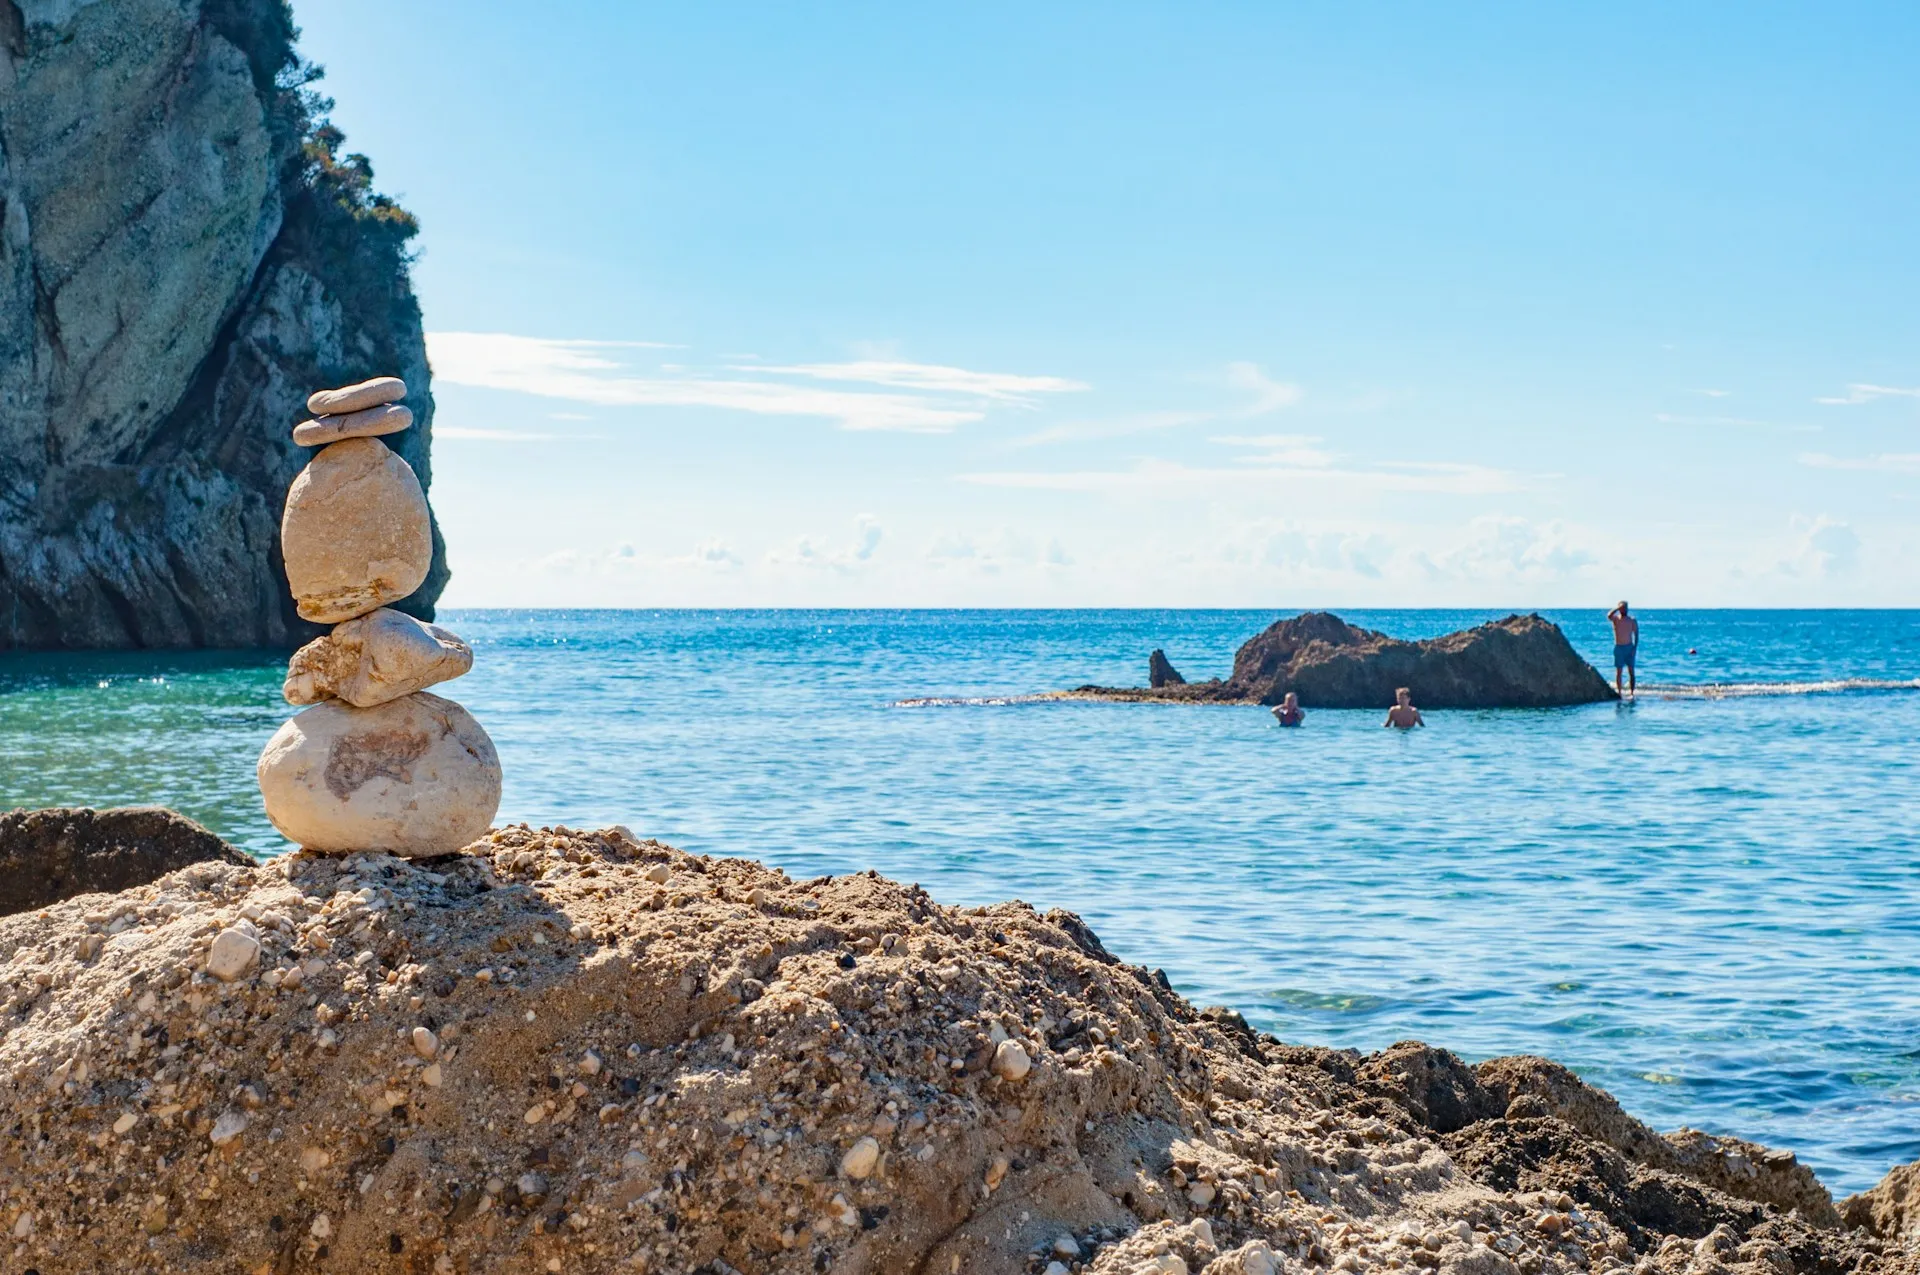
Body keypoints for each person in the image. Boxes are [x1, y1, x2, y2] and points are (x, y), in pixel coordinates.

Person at [1608, 601, 1639, 697]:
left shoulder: (1632, 620)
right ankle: (1619, 692)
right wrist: (1617, 608)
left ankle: (1632, 693)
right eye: (1622, 608)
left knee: (1631, 671)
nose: (1623, 610)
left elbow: (1636, 634)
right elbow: (1609, 615)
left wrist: (1634, 648)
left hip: (1629, 647)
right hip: (1619, 647)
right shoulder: (1616, 619)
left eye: (1625, 608)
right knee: (1619, 672)